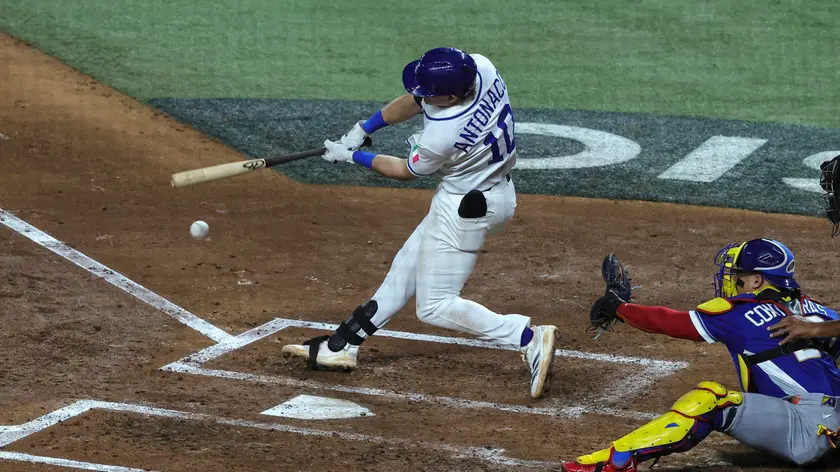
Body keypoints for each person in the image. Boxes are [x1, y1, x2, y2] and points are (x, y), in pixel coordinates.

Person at [281, 47, 559, 399]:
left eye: (432, 93)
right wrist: (363, 128)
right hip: (491, 191)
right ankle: (342, 345)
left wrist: (352, 156)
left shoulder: (443, 135)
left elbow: (403, 170)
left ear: (451, 96)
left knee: (435, 306)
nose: (424, 95)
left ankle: (528, 337)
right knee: (406, 267)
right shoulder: (482, 69)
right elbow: (416, 100)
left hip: (466, 209)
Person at [561, 238, 840, 471]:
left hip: (806, 432)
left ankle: (614, 462)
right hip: (834, 426)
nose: (734, 284)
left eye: (740, 278)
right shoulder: (823, 314)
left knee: (710, 399)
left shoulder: (739, 313)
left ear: (757, 281)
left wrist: (617, 306)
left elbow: (669, 321)